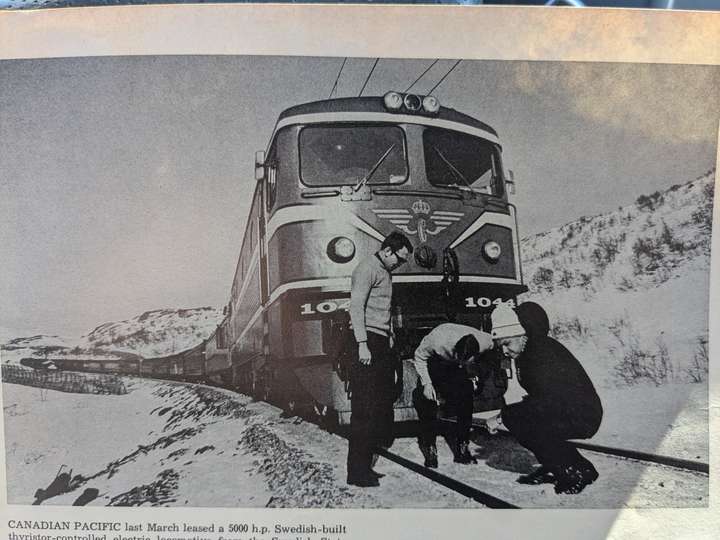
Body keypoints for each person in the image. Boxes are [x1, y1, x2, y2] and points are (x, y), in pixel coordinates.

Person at [486, 301, 603, 495]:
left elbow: (547, 401)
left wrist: (502, 416)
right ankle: (562, 465)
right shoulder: (531, 350)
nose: (504, 351)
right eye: (501, 347)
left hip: (582, 415)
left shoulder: (540, 355)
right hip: (568, 410)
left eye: (507, 343)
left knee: (522, 422)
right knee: (524, 422)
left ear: (522, 334)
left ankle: (574, 471)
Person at [346, 231, 413, 487]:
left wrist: (391, 334)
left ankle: (365, 466)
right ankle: (357, 472)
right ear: (387, 251)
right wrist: (362, 344)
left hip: (381, 341)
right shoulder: (367, 269)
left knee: (377, 403)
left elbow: (382, 308)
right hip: (367, 342)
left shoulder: (385, 271)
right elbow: (357, 307)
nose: (400, 263)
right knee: (363, 408)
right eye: (400, 258)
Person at [411, 323, 494, 467]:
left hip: (455, 367)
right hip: (435, 362)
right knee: (426, 399)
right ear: (455, 351)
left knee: (466, 395)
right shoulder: (438, 341)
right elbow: (419, 357)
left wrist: (479, 377)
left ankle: (462, 446)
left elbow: (490, 359)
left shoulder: (485, 342)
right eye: (461, 357)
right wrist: (427, 384)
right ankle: (430, 447)